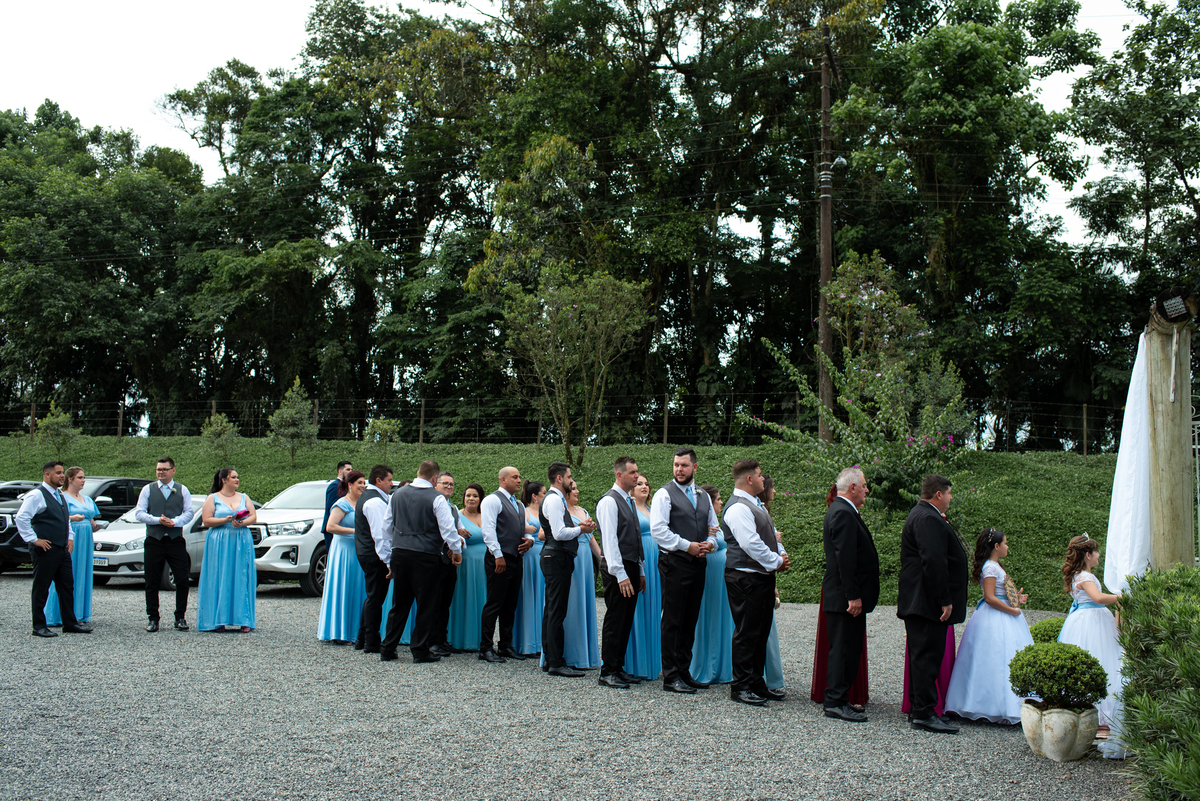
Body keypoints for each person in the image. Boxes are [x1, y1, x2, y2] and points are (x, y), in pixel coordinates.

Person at [897, 474, 967, 734]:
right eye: (949, 493)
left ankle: (920, 708)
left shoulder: (922, 514)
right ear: (938, 494)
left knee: (923, 656)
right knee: (927, 657)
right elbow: (933, 561)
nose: (950, 498)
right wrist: (944, 599)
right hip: (926, 601)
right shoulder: (927, 517)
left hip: (922, 599)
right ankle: (924, 712)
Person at [944, 528, 1032, 724]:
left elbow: (999, 593)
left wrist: (1015, 599)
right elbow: (990, 598)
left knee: (1001, 657)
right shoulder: (990, 568)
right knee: (996, 657)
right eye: (1005, 543)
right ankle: (993, 706)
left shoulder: (995, 566)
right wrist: (1012, 610)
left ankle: (1002, 704)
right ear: (996, 546)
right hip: (995, 616)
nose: (1007, 547)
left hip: (1001, 612)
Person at [380, 460, 463, 663]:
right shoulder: (436, 498)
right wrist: (456, 550)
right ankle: (420, 650)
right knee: (426, 605)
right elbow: (448, 528)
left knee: (399, 604)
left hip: (400, 553)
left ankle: (387, 648)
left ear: (418, 472)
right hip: (426, 556)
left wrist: (387, 558)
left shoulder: (396, 495)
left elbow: (386, 528)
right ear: (435, 478)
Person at [722, 459, 789, 706]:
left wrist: (780, 555)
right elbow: (751, 544)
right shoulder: (738, 508)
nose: (763, 479)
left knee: (761, 631)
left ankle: (756, 682)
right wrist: (776, 562)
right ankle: (740, 686)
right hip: (745, 577)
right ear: (749, 479)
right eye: (760, 475)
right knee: (747, 632)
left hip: (759, 576)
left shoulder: (755, 504)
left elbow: (771, 536)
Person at [650, 448, 717, 693]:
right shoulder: (663, 494)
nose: (679, 469)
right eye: (676, 465)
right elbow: (658, 531)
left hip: (698, 564)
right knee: (673, 620)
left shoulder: (703, 496)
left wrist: (710, 544)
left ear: (694, 467)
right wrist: (687, 545)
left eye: (684, 465)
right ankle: (670, 676)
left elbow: (713, 528)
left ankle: (684, 670)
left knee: (690, 618)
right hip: (675, 563)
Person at [1057, 534, 1127, 757]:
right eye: (1095, 552)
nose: (1098, 555)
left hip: (1086, 620)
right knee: (1101, 658)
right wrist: (1120, 597)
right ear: (1088, 555)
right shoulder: (1085, 577)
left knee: (1101, 659)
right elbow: (1097, 598)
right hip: (1092, 622)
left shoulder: (1080, 575)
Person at [819, 467, 879, 723]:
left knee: (848, 649)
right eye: (864, 485)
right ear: (852, 487)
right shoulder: (843, 512)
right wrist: (853, 596)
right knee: (843, 650)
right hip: (845, 598)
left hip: (845, 596)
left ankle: (839, 698)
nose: (867, 490)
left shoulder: (843, 510)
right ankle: (834, 701)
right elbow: (845, 558)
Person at [18, 461, 91, 637]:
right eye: (58, 473)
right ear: (47, 474)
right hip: (46, 548)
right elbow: (21, 518)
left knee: (66, 586)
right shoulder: (37, 495)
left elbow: (65, 519)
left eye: (62, 473)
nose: (62, 476)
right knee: (41, 587)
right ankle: (39, 626)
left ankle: (70, 623)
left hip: (62, 548)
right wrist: (34, 539)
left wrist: (70, 537)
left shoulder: (59, 494)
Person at [539, 461, 596, 677]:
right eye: (569, 476)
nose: (571, 480)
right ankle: (556, 662)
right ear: (559, 478)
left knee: (552, 609)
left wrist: (579, 528)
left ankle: (550, 659)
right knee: (556, 610)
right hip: (557, 557)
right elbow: (559, 533)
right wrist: (581, 529)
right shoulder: (554, 500)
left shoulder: (555, 499)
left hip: (556, 556)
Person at [596, 456, 645, 689]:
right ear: (619, 474)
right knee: (615, 618)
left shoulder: (629, 500)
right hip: (618, 568)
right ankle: (607, 671)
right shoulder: (609, 501)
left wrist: (640, 570)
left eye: (637, 472)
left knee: (626, 619)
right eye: (632, 472)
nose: (637, 476)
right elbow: (609, 541)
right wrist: (621, 574)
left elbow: (635, 537)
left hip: (631, 565)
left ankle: (618, 667)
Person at [478, 466, 534, 662]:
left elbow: (523, 528)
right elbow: (488, 529)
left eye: (519, 477)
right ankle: (485, 648)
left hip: (516, 558)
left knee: (510, 604)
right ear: (503, 480)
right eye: (514, 477)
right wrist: (498, 555)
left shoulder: (518, 504)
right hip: (499, 558)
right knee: (494, 603)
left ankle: (505, 645)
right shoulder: (492, 500)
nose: (519, 480)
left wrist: (530, 540)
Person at [134, 457, 195, 632]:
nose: (160, 472)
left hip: (175, 540)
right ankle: (153, 618)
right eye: (158, 469)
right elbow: (139, 513)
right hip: (154, 540)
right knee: (151, 581)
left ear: (173, 470)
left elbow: (189, 512)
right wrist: (157, 520)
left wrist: (174, 522)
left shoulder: (182, 489)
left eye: (164, 469)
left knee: (182, 579)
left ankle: (180, 617)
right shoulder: (148, 489)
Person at [197, 468, 258, 632]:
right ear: (224, 480)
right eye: (233, 477)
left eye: (237, 477)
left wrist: (242, 522)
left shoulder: (244, 497)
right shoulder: (213, 498)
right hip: (219, 541)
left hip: (241, 539)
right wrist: (225, 520)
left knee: (241, 576)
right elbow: (206, 520)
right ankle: (219, 619)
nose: (237, 480)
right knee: (220, 575)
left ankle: (244, 619)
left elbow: (253, 516)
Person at [44, 466, 101, 626]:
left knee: (82, 572)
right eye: (80, 478)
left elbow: (91, 519)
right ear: (70, 479)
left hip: (86, 538)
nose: (83, 481)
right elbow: (54, 517)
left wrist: (95, 525)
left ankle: (78, 613)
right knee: (66, 574)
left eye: (84, 477)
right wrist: (72, 518)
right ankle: (57, 615)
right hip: (70, 536)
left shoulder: (87, 499)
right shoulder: (61, 497)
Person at [317, 470, 367, 643]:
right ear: (349, 485)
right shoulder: (341, 503)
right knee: (344, 587)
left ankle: (356, 631)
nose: (363, 486)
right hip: (344, 551)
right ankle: (340, 632)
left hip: (358, 550)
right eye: (359, 482)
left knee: (358, 588)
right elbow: (331, 526)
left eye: (364, 483)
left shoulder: (361, 504)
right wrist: (355, 531)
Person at [689, 485, 732, 684]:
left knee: (722, 614)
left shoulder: (716, 524)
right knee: (709, 615)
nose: (721, 502)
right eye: (718, 499)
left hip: (722, 577)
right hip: (710, 573)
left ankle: (724, 664)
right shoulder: (703, 524)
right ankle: (706, 664)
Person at [560, 480, 602, 670]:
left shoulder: (583, 511)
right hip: (572, 558)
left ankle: (586, 654)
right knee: (572, 603)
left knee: (585, 602)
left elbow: (591, 539)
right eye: (574, 488)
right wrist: (580, 529)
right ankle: (571, 654)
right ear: (566, 492)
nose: (577, 491)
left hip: (586, 560)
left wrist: (602, 558)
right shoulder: (561, 512)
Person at [353, 465, 394, 654]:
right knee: (376, 598)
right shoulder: (374, 502)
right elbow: (380, 535)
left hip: (367, 552)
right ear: (378, 480)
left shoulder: (370, 497)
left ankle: (362, 638)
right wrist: (388, 561)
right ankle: (371, 641)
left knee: (372, 597)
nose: (391, 484)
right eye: (389, 480)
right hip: (374, 555)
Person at [756, 476, 787, 695]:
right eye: (772, 487)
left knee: (768, 630)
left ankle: (770, 678)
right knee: (761, 631)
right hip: (759, 573)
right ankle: (764, 679)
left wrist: (781, 552)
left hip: (769, 572)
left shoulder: (764, 511)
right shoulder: (756, 511)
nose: (774, 491)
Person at [447, 483, 487, 652]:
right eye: (468, 495)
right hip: (465, 563)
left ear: (480, 498)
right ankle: (456, 640)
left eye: (475, 496)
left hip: (484, 564)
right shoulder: (457, 515)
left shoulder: (486, 515)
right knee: (463, 598)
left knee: (482, 599)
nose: (471, 498)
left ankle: (479, 640)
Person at [430, 471, 463, 656]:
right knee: (433, 602)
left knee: (445, 602)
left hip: (450, 560)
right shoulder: (431, 503)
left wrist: (457, 544)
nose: (449, 486)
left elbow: (459, 532)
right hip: (434, 558)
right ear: (436, 484)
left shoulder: (453, 508)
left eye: (451, 484)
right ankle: (431, 641)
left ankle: (442, 639)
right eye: (445, 483)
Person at [512, 480, 546, 656]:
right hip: (530, 557)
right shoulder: (524, 511)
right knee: (529, 596)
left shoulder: (545, 512)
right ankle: (528, 643)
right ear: (534, 496)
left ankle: (542, 643)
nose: (546, 496)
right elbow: (517, 529)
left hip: (545, 556)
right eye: (544, 493)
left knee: (543, 597)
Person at [321, 461, 353, 551]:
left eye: (351, 469)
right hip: (333, 529)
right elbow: (332, 507)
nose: (350, 472)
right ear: (340, 471)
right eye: (348, 469)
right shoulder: (335, 486)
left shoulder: (347, 486)